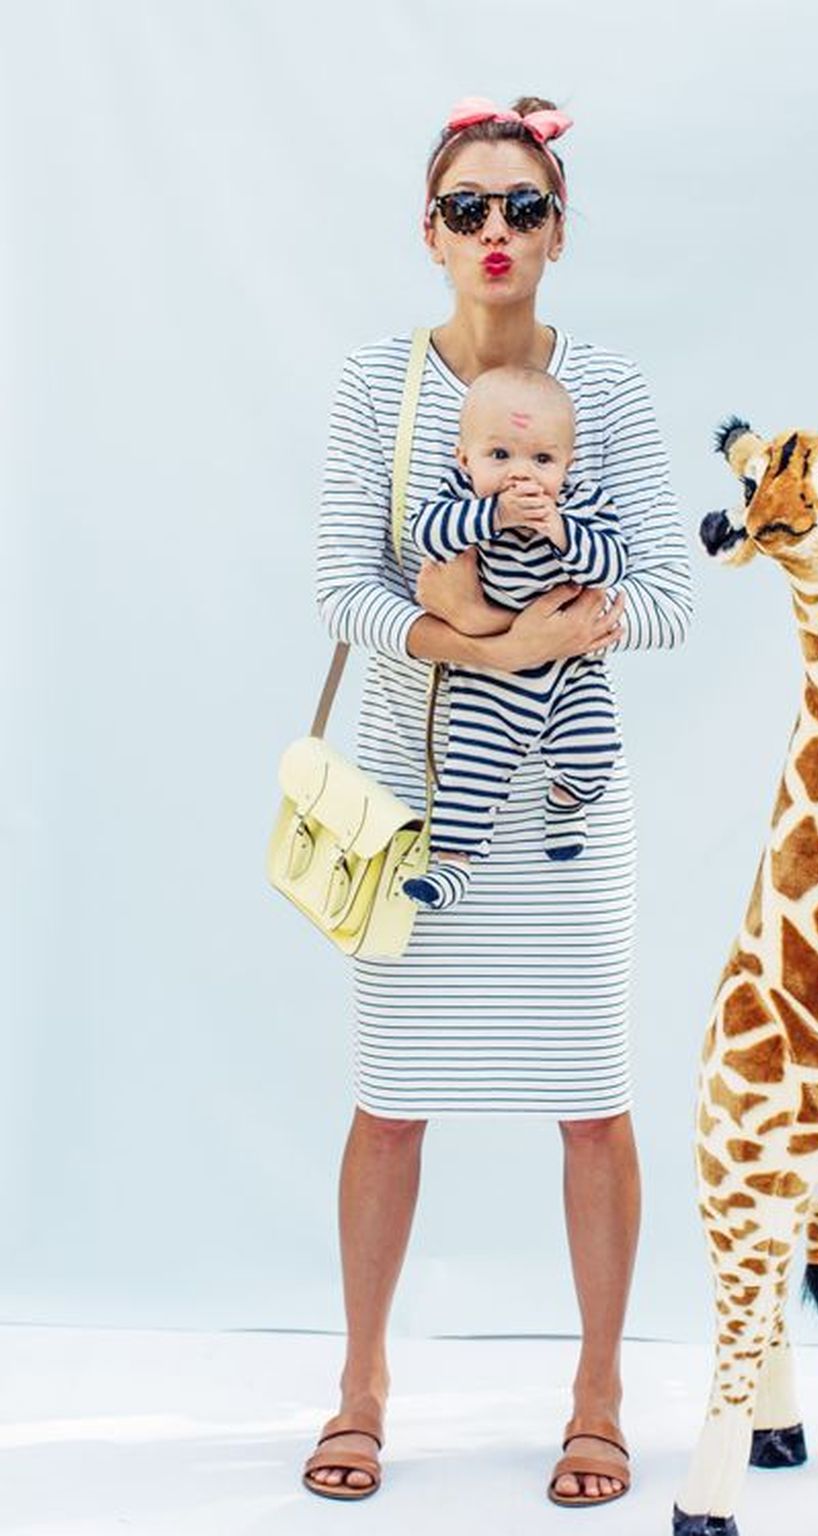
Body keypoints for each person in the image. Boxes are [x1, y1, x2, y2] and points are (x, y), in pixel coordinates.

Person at [303, 92, 693, 1507]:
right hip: (416, 800)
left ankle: (599, 1396)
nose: (494, 229)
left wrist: (558, 621)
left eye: (522, 207)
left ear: (558, 232)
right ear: (428, 230)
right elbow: (344, 589)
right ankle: (360, 1387)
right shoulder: (379, 386)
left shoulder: (610, 390)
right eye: (466, 205)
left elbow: (667, 596)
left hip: (566, 810)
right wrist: (479, 644)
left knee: (591, 1100)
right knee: (390, 1098)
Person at [402, 364, 628, 909]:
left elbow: (612, 565)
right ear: (465, 459)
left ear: (568, 464)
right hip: (488, 674)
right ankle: (451, 867)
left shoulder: (582, 503)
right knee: (471, 769)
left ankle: (567, 799)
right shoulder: (461, 499)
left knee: (594, 750)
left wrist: (560, 530)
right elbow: (426, 534)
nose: (520, 475)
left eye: (542, 460)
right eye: (499, 455)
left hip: (571, 668)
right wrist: (495, 516)